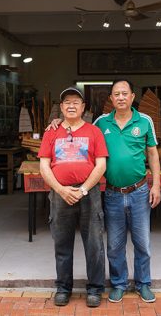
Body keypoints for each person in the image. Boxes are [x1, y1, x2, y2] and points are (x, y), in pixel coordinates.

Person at [38, 86, 108, 308]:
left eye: (75, 102)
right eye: (66, 102)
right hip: (60, 194)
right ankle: (63, 288)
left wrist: (84, 189)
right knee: (62, 242)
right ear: (60, 107)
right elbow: (44, 166)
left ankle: (95, 289)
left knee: (95, 243)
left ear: (83, 107)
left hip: (89, 193)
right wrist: (60, 189)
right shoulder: (51, 132)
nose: (71, 105)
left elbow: (101, 165)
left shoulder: (93, 132)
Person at [94, 80, 160, 304]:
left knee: (143, 243)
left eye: (125, 93)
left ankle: (143, 284)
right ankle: (119, 284)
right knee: (114, 244)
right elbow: (82, 135)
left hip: (139, 191)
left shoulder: (144, 121)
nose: (121, 97)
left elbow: (152, 154)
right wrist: (57, 122)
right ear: (111, 99)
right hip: (112, 194)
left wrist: (157, 185)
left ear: (132, 97)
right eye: (116, 94)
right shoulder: (101, 123)